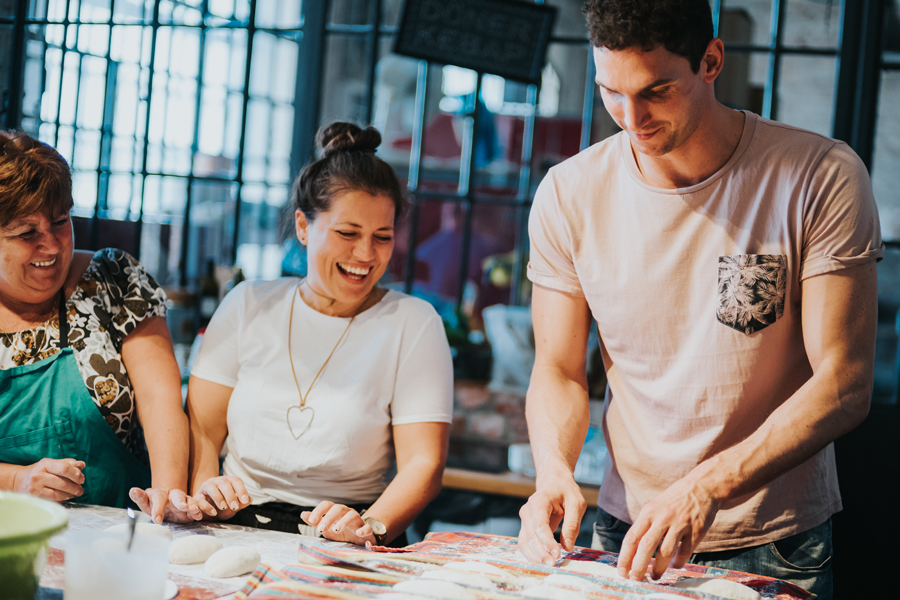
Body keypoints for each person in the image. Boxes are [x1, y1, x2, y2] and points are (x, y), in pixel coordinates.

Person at [516, 1, 881, 598]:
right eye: (611, 91)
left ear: (710, 61)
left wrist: (705, 487)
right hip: (624, 528)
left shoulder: (819, 175)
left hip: (775, 540)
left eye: (655, 91)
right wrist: (553, 470)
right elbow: (557, 369)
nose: (631, 117)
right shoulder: (568, 194)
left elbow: (844, 382)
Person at [186, 122, 453, 546]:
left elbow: (424, 463)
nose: (365, 255)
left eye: (381, 238)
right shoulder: (248, 303)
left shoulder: (413, 323)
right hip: (230, 525)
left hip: (350, 536)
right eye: (348, 233)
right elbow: (201, 427)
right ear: (304, 227)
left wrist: (370, 527)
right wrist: (205, 487)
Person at [0, 130, 199, 524]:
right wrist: (17, 480)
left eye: (60, 222)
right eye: (27, 234)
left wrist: (167, 496)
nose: (53, 246)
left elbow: (160, 400)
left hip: (121, 533)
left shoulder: (111, 280)